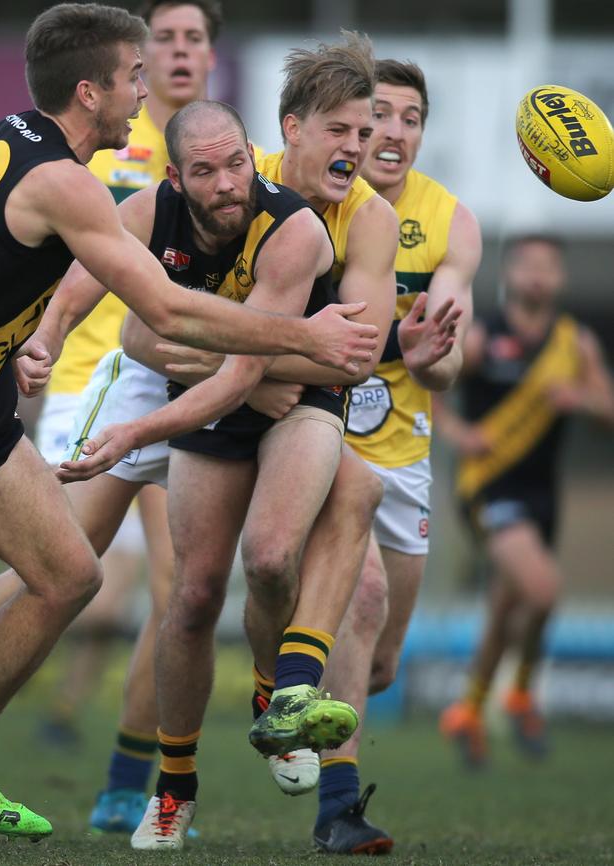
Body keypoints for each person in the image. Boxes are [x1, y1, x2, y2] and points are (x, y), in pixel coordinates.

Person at [0, 2, 377, 840]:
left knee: (73, 575)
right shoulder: (71, 183)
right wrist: (306, 335)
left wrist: (34, 339)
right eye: (132, 79)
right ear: (90, 91)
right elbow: (163, 313)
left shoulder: (6, 135)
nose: (141, 93)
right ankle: (154, 783)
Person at [102, 35, 460, 851]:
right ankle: (174, 789)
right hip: (220, 399)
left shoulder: (368, 218)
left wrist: (254, 356)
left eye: (367, 133)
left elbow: (360, 352)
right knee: (188, 599)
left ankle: (290, 711)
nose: (359, 149)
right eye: (342, 131)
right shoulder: (232, 180)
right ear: (290, 130)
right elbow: (146, 331)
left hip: (316, 406)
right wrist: (262, 361)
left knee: (290, 568)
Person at [29, 0, 221, 830]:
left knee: (186, 590)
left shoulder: (227, 154)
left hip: (180, 386)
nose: (176, 53)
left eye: (192, 39)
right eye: (162, 41)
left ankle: (127, 776)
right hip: (92, 379)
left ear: (212, 55)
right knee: (67, 577)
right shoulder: (109, 136)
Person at [437, 234, 614, 767]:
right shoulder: (485, 335)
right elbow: (431, 387)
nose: (538, 276)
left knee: (507, 605)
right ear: (509, 273)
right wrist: (459, 435)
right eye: (528, 266)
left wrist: (581, 398)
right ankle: (519, 695)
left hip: (543, 493)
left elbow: (608, 410)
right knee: (541, 591)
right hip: (488, 487)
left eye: (548, 267)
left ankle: (466, 711)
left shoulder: (574, 342)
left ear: (559, 278)